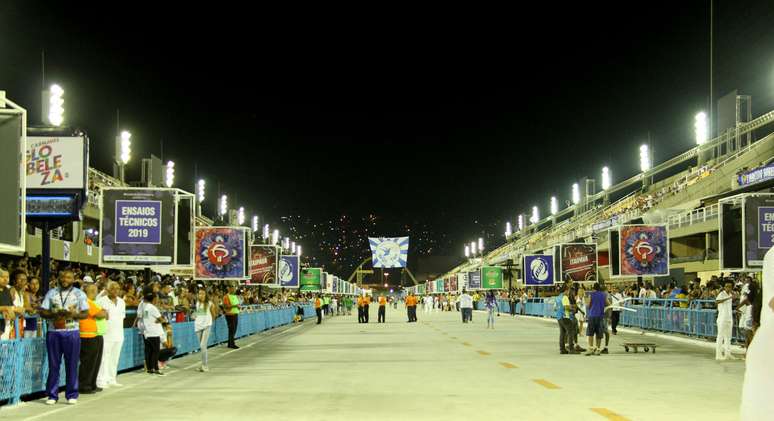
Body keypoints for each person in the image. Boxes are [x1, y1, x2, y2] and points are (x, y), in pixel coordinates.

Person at [39, 269, 90, 405]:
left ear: (73, 279)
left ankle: (72, 394)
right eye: (62, 277)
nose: (65, 280)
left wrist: (72, 315)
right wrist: (53, 315)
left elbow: (85, 313)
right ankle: (52, 395)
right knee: (54, 364)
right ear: (58, 278)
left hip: (71, 332)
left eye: (68, 277)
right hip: (53, 332)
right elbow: (42, 311)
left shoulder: (79, 294)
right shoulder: (52, 292)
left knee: (72, 364)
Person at [96, 281, 126, 389]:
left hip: (119, 334)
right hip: (106, 334)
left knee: (115, 358)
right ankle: (101, 380)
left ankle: (112, 378)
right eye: (113, 288)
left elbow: (122, 317)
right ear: (107, 289)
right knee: (104, 358)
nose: (115, 290)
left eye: (117, 288)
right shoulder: (100, 302)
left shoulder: (122, 302)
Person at [78, 283, 107, 394]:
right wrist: (103, 312)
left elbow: (103, 314)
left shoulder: (92, 302)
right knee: (88, 363)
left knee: (94, 362)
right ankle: (84, 386)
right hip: (87, 336)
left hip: (94, 334)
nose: (95, 293)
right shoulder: (86, 302)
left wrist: (103, 312)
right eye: (92, 291)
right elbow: (100, 314)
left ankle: (91, 384)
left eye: (95, 290)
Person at [139, 291, 165, 375]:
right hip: (154, 332)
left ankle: (150, 368)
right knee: (156, 351)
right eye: (156, 298)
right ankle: (155, 368)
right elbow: (162, 319)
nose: (157, 299)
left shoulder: (146, 307)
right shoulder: (153, 308)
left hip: (147, 331)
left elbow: (146, 319)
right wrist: (160, 320)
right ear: (154, 299)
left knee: (149, 351)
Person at [193, 288, 218, 372]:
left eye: (203, 293)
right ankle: (203, 365)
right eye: (199, 293)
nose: (201, 295)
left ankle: (205, 366)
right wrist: (194, 315)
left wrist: (209, 322)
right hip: (198, 326)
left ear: (205, 294)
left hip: (207, 326)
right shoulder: (197, 303)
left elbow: (214, 315)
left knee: (202, 346)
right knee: (202, 347)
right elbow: (199, 313)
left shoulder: (210, 303)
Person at [584, 283, 607, 356]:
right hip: (600, 316)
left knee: (590, 333)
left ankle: (590, 348)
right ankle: (598, 349)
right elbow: (608, 303)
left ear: (594, 288)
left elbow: (588, 305)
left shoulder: (591, 294)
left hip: (592, 315)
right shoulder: (604, 295)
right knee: (599, 333)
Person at [715, 280, 735, 361]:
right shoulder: (722, 294)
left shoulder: (731, 294)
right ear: (724, 287)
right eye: (726, 286)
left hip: (729, 318)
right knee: (720, 336)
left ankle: (728, 354)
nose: (728, 288)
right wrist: (728, 298)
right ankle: (718, 354)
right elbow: (716, 302)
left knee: (728, 337)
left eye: (729, 286)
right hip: (722, 318)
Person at [223, 283, 240, 349]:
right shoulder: (226, 297)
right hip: (229, 315)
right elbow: (226, 306)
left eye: (234, 288)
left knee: (234, 329)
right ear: (229, 289)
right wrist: (235, 306)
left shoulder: (235, 296)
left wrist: (238, 306)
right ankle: (232, 343)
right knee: (231, 329)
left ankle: (230, 343)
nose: (234, 290)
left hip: (235, 314)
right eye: (232, 288)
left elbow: (238, 304)